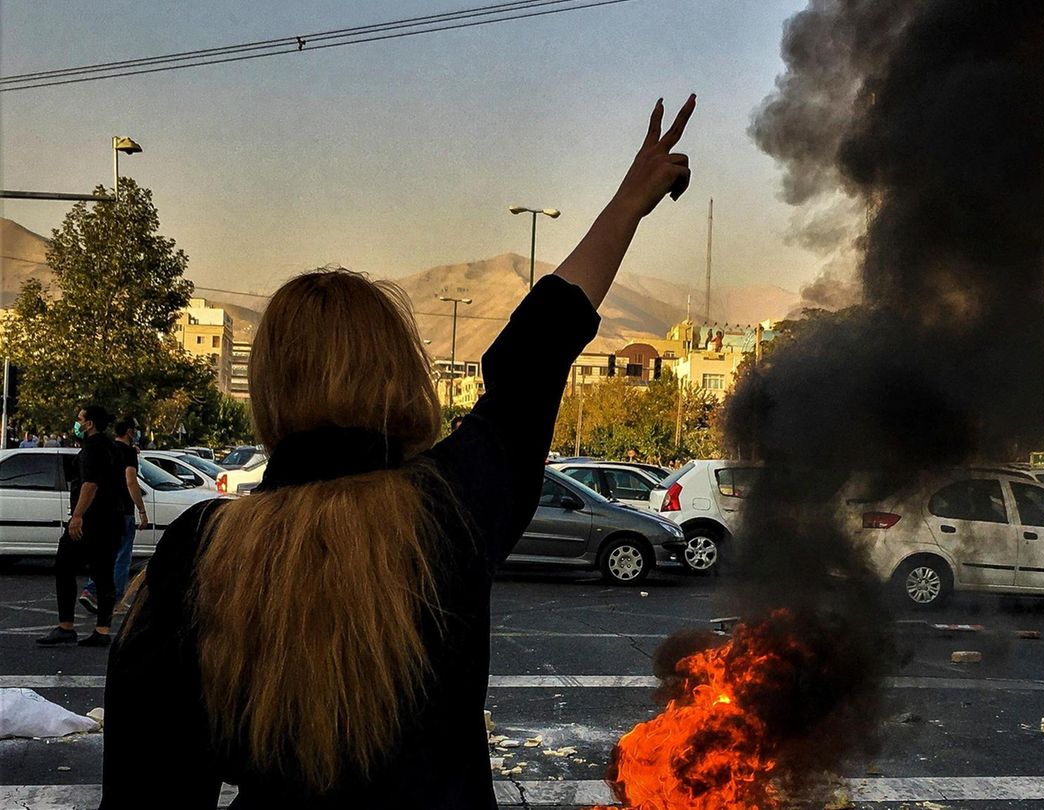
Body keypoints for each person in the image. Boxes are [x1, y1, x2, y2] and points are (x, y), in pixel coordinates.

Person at [101, 96, 695, 809]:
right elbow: (536, 351)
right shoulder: (452, 507)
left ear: (268, 387)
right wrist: (629, 201)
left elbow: (146, 790)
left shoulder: (199, 549)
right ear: (400, 372)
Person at [36, 405, 126, 647]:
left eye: (79, 419)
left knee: (64, 566)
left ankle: (66, 626)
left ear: (89, 424)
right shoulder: (113, 448)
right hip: (112, 521)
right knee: (104, 574)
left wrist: (77, 516)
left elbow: (90, 485)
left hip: (91, 523)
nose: (76, 423)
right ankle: (102, 630)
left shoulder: (91, 450)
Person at [79, 418, 149, 615]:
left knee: (105, 554)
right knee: (122, 556)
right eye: (135, 429)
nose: (137, 432)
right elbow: (131, 481)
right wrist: (141, 510)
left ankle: (91, 590)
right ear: (129, 431)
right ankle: (116, 599)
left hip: (103, 509)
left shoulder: (107, 448)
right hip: (123, 510)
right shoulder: (128, 453)